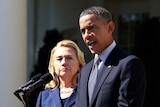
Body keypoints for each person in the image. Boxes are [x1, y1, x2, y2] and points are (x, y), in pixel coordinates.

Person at [76, 6, 146, 107]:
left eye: (91, 28)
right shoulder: (85, 71)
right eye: (83, 31)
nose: (87, 35)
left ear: (110, 27)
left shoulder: (128, 64)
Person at [36, 39, 86, 107]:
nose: (64, 63)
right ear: (53, 66)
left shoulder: (86, 93)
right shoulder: (44, 97)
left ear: (79, 65)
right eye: (59, 59)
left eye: (69, 58)